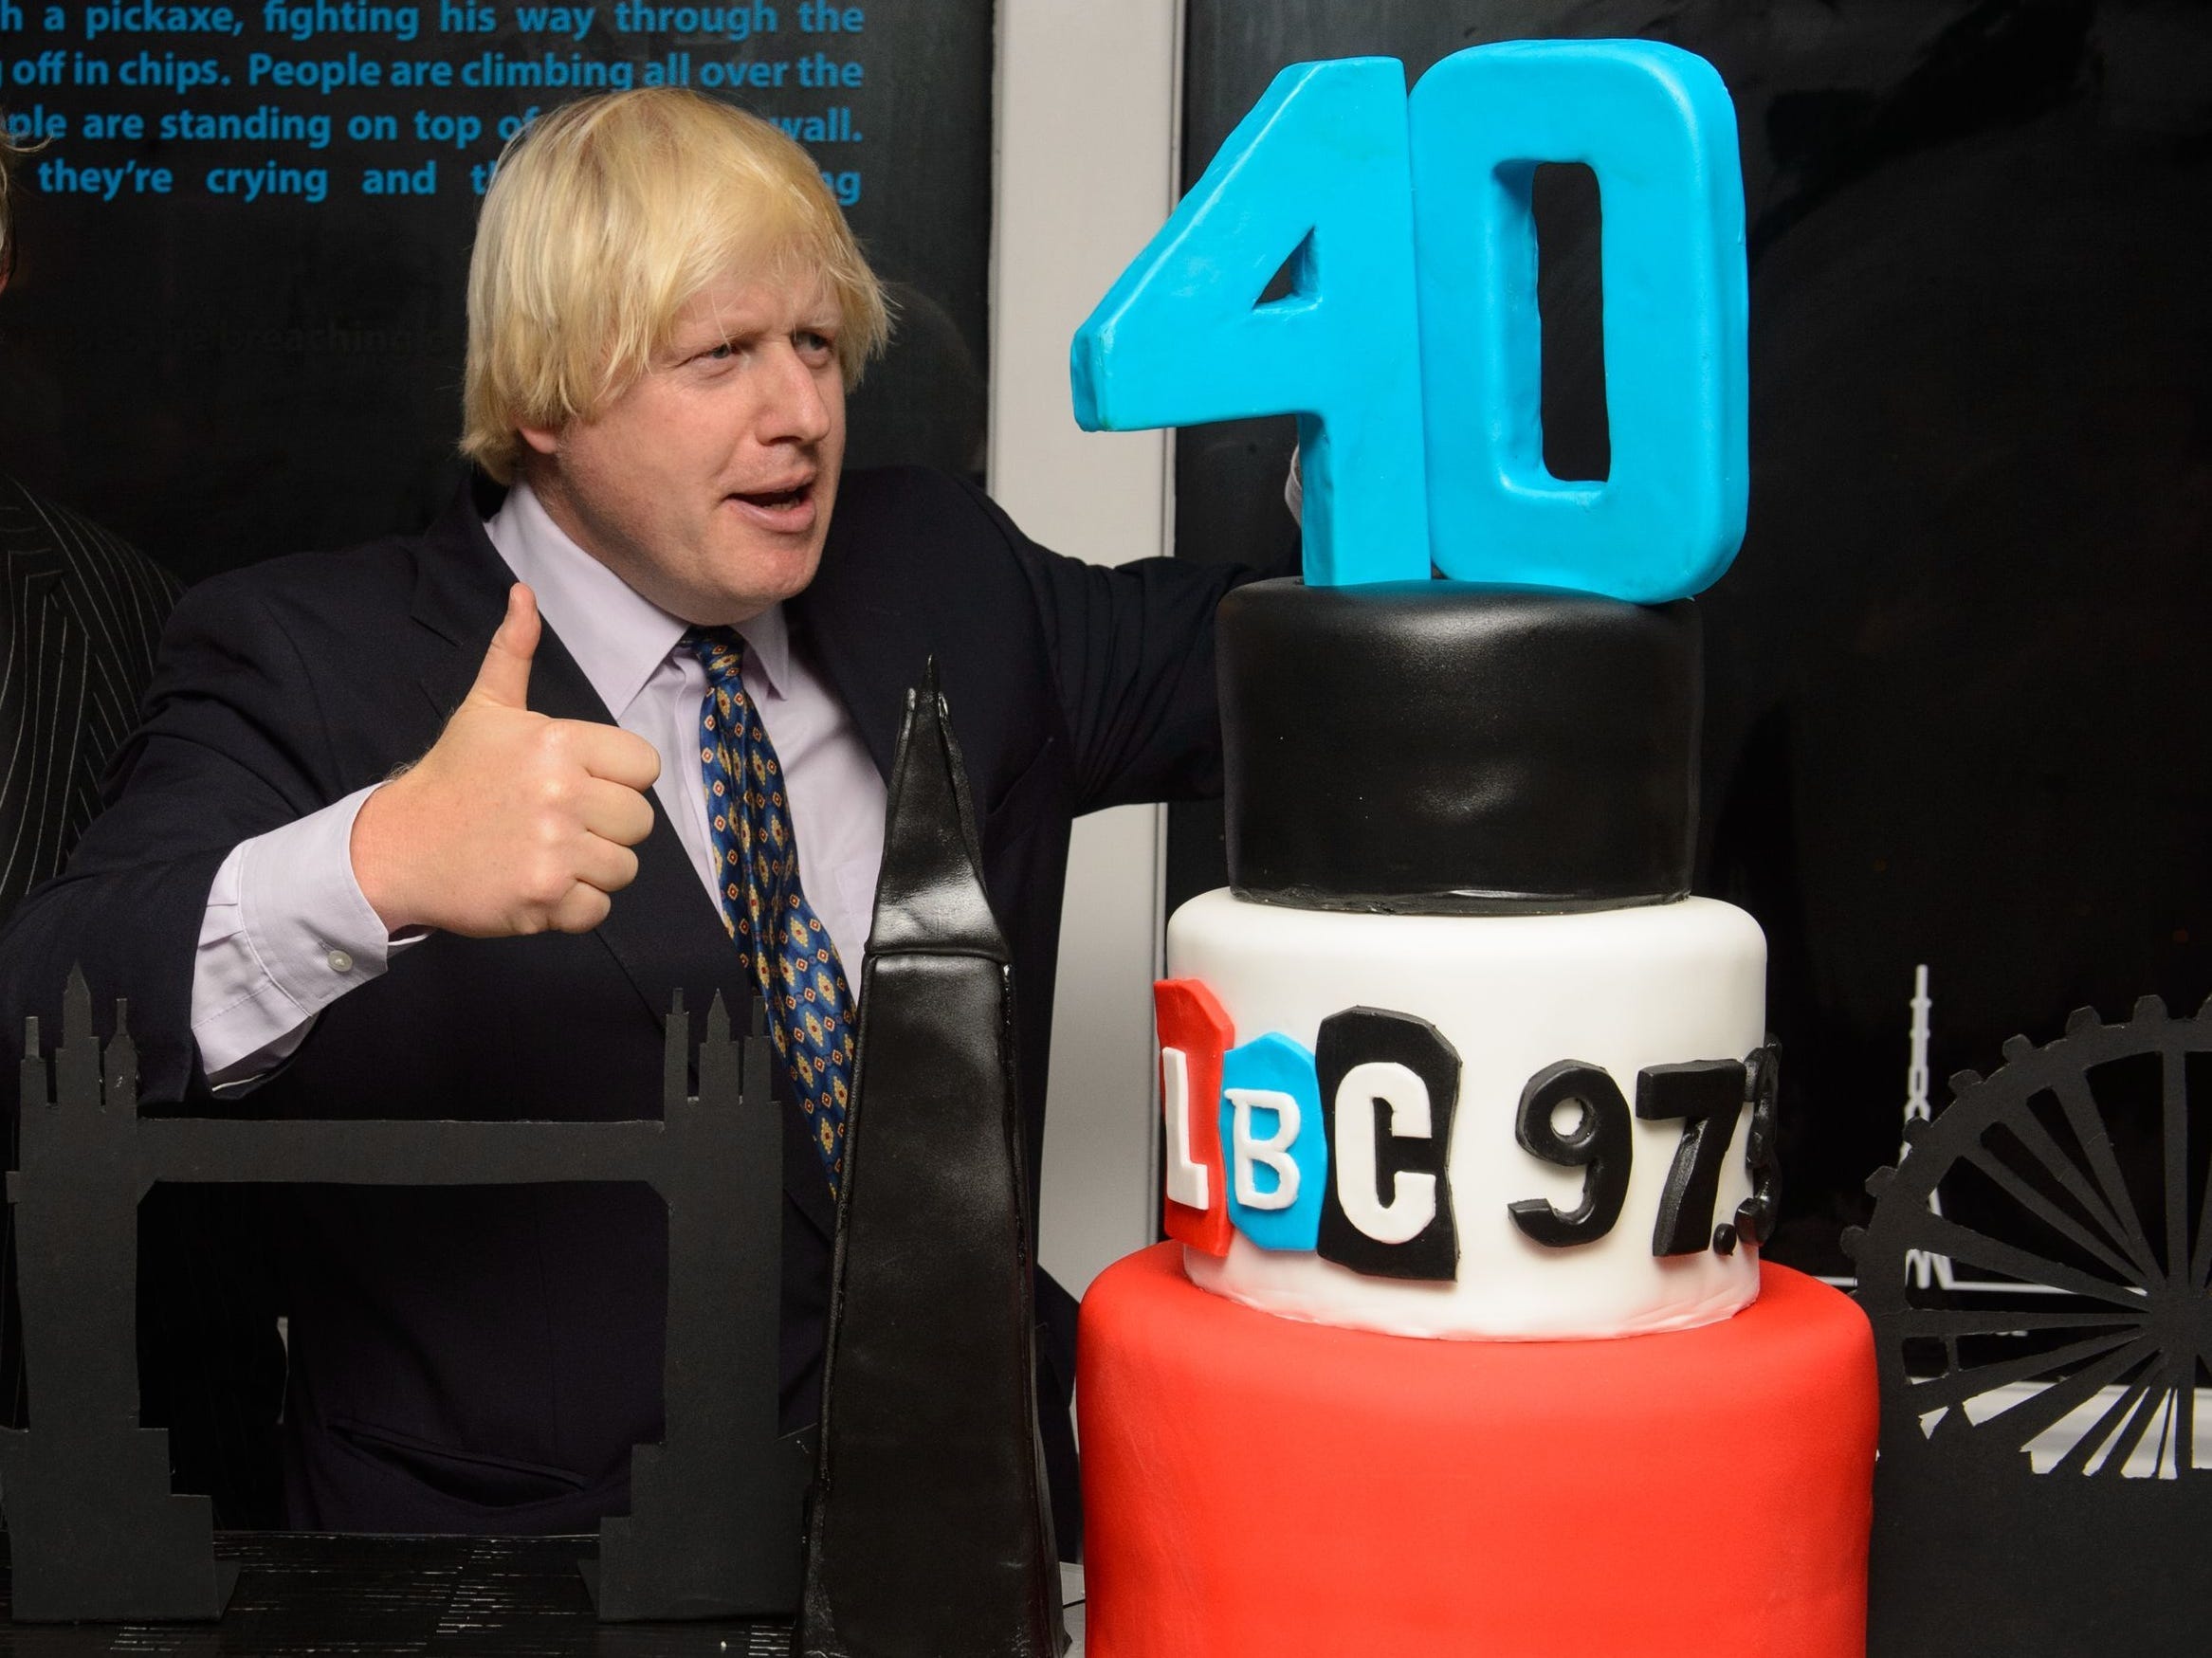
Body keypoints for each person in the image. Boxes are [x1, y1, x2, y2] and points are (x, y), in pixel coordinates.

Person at [0, 88, 1257, 1539]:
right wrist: (376, 863)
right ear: (545, 396)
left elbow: (1269, 661)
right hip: (520, 1581)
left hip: (977, 1535)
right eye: (718, 355)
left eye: (814, 345)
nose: (799, 414)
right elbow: (50, 999)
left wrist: (1369, 484)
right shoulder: (311, 659)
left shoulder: (945, 574)